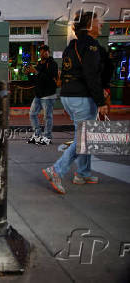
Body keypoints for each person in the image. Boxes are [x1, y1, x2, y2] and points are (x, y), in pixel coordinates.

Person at [42, 11, 109, 194]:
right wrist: (101, 101)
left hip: (68, 95)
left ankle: (83, 172)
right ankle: (57, 170)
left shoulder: (71, 46)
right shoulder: (91, 46)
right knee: (84, 138)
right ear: (89, 25)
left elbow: (66, 73)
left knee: (82, 135)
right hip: (82, 97)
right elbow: (92, 76)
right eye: (98, 21)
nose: (101, 24)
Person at [26, 45, 59, 146]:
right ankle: (37, 134)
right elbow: (35, 80)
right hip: (38, 94)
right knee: (32, 114)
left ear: (48, 52)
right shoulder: (39, 64)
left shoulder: (52, 64)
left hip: (48, 94)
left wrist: (36, 72)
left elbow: (49, 79)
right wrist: (29, 73)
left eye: (45, 51)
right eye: (41, 51)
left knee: (47, 116)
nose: (42, 53)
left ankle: (47, 137)